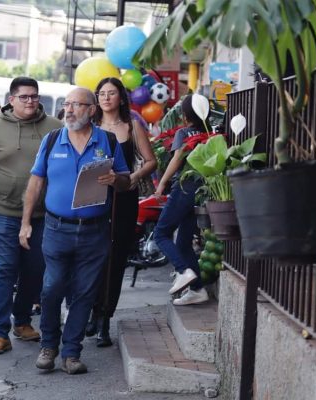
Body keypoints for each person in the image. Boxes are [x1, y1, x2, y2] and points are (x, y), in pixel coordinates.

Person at [19, 87, 130, 374]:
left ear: (91, 110)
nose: (68, 109)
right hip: (57, 228)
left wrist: (115, 179)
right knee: (51, 287)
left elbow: (126, 181)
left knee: (84, 292)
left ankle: (71, 353)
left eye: (76, 104)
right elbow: (36, 182)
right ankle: (48, 345)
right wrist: (26, 222)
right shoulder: (52, 139)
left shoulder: (107, 140)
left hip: (95, 231)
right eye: (67, 104)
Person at [0, 76, 62, 355]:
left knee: (35, 269)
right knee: (4, 270)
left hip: (43, 214)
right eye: (24, 97)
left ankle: (22, 321)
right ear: (11, 100)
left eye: (34, 96)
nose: (30, 101)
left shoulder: (54, 128)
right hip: (3, 212)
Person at [87, 77, 157, 346]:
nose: (106, 98)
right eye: (101, 93)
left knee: (114, 259)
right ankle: (91, 312)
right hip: (92, 198)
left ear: (121, 98)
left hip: (122, 198)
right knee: (92, 257)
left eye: (111, 93)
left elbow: (151, 161)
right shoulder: (90, 126)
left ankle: (105, 318)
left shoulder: (132, 125)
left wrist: (131, 177)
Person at [154, 94, 210, 306]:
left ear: (185, 116)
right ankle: (198, 290)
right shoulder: (210, 133)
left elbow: (177, 159)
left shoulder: (183, 133)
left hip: (184, 187)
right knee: (184, 243)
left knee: (161, 233)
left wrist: (161, 183)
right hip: (201, 191)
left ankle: (183, 271)